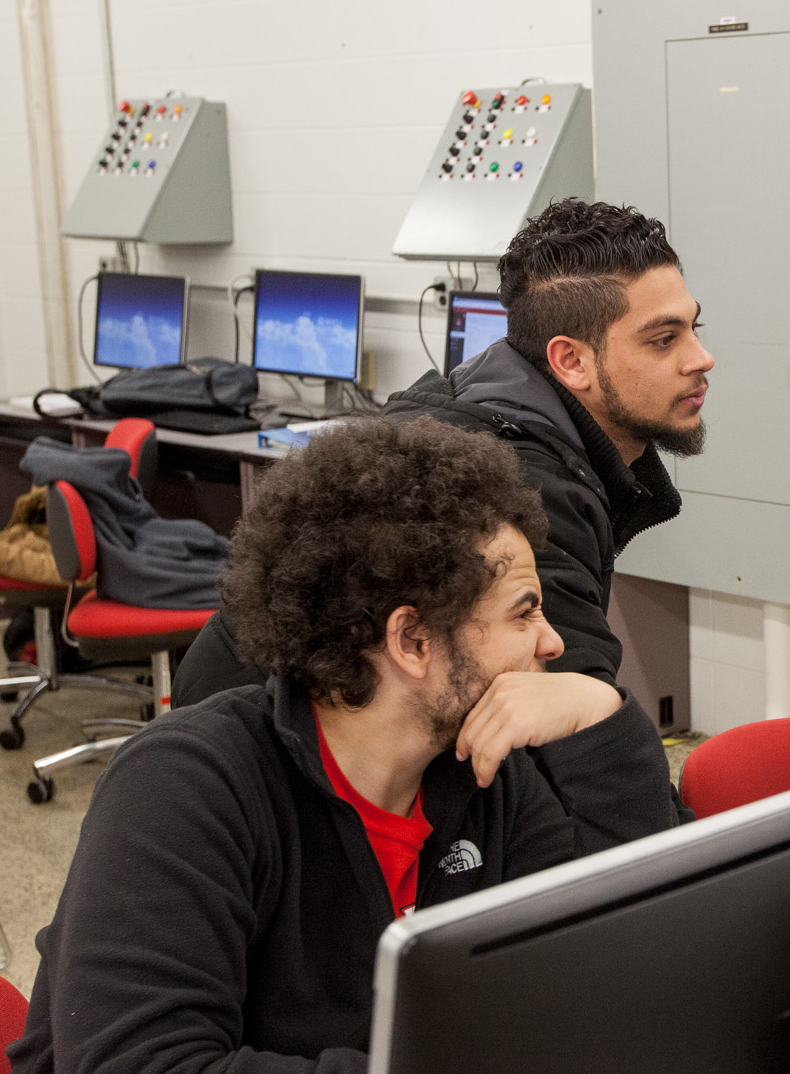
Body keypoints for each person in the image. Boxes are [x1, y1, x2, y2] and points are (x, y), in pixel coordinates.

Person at [0, 420, 665, 1074]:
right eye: (524, 612)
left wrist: (604, 722)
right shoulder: (187, 788)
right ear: (412, 641)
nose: (552, 643)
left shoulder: (485, 777)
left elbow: (620, 992)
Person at [174, 197, 713, 850]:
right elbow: (572, 737)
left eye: (693, 328)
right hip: (269, 793)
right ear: (570, 361)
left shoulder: (471, 404)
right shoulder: (523, 488)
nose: (700, 358)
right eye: (664, 339)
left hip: (240, 728)